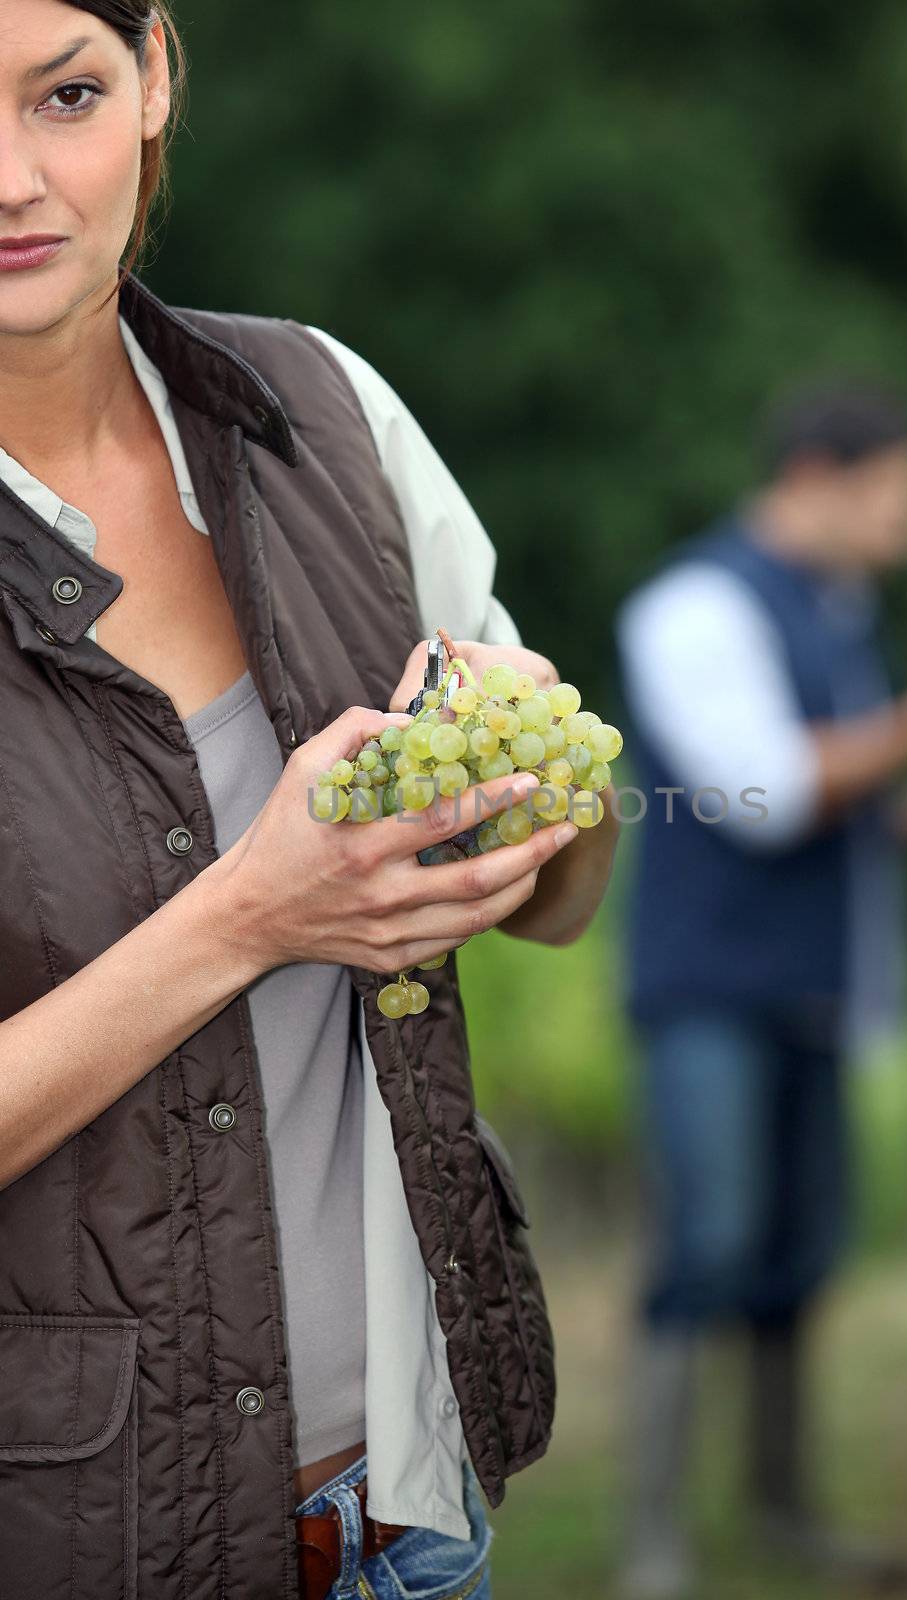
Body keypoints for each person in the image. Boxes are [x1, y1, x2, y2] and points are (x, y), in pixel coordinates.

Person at [0, 5, 620, 1598]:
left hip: (406, 1520)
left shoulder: (317, 413)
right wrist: (249, 918)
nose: (14, 177)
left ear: (155, 81)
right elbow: (261, 917)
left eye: (65, 94)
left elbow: (560, 905)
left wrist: (538, 818)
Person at [612, 379, 907, 1597]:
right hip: (708, 991)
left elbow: (825, 793)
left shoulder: (836, 607)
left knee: (796, 1252)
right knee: (710, 1240)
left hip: (809, 988)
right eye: (900, 494)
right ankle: (653, 1539)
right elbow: (761, 793)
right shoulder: (693, 605)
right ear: (816, 480)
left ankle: (780, 1511)